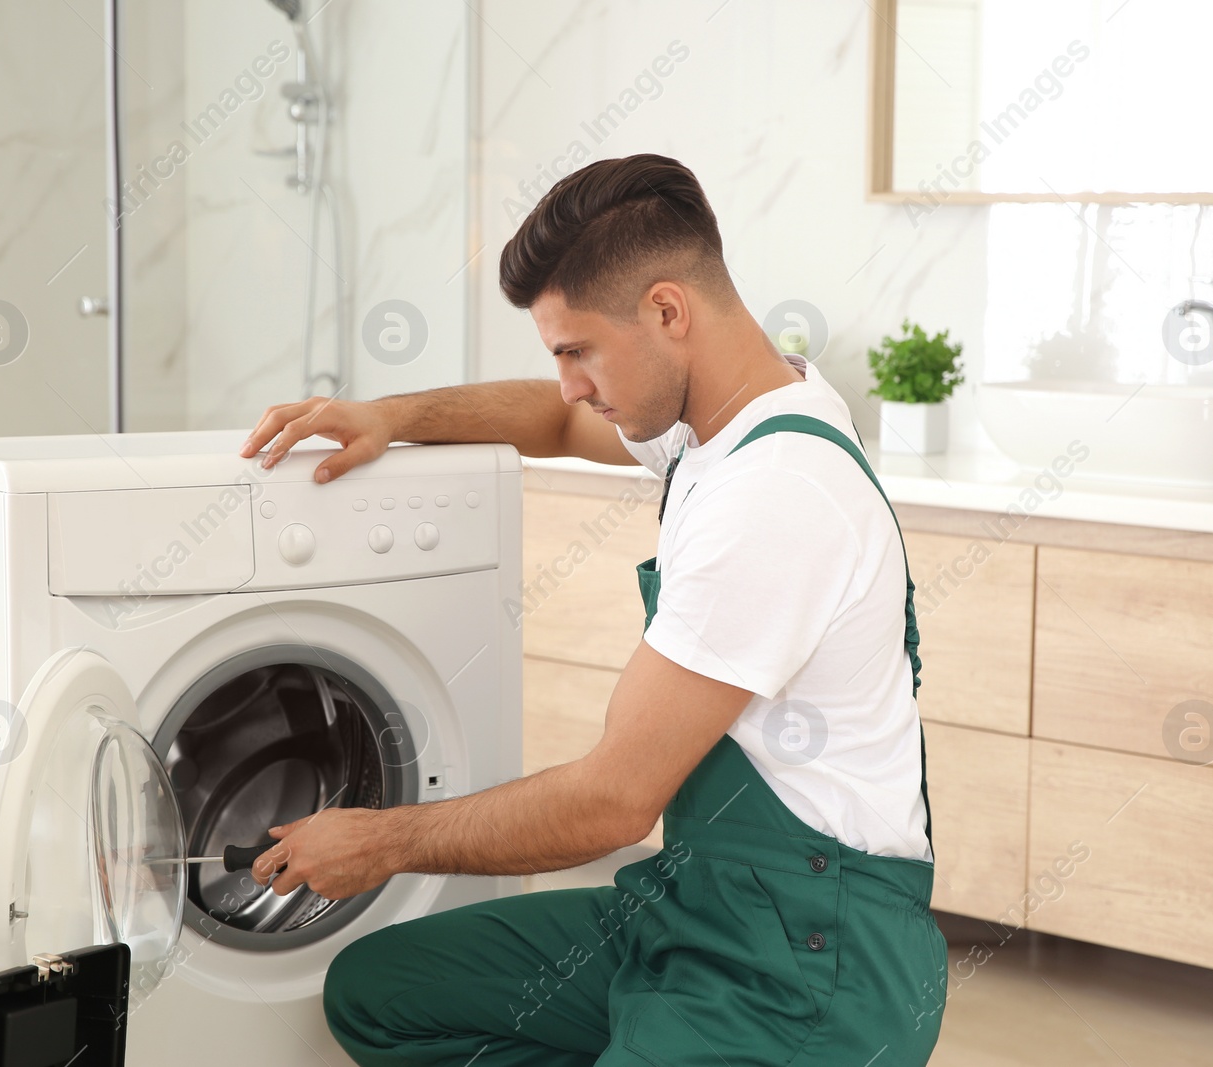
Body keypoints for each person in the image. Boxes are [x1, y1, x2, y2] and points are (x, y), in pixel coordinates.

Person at [237, 153, 947, 1066]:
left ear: (665, 311)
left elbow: (614, 800)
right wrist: (387, 413)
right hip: (702, 903)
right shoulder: (738, 413)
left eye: (578, 350)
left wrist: (382, 840)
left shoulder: (771, 498)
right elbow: (558, 421)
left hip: (812, 967)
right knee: (381, 994)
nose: (570, 381)